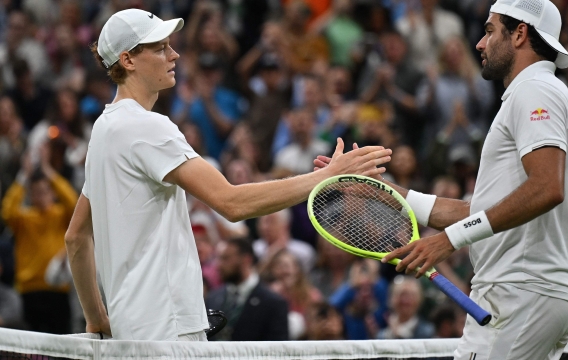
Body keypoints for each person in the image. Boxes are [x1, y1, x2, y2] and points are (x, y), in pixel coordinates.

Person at [64, 9, 391, 342]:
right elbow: (231, 202)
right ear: (127, 60)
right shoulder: (147, 128)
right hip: (167, 330)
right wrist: (328, 176)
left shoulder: (103, 131)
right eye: (160, 47)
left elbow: (75, 238)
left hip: (128, 332)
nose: (174, 54)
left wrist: (97, 319)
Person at [316, 0, 568, 357]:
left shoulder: (536, 90)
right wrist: (378, 192)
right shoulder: (534, 92)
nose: (480, 43)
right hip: (526, 294)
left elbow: (547, 187)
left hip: (519, 293)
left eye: (490, 31)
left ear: (520, 34)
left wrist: (448, 242)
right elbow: (479, 211)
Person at [2, 145, 77, 334]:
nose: (41, 196)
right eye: (36, 192)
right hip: (30, 290)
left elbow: (72, 201)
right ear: (31, 195)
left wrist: (47, 170)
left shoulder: (61, 215)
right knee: (33, 350)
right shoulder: (24, 219)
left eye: (45, 191)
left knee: (63, 346)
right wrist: (24, 176)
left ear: (52, 193)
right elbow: (7, 210)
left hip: (58, 290)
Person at [205, 238, 289, 341]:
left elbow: (277, 349)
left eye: (225, 258)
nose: (218, 265)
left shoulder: (273, 303)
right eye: (218, 258)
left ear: (246, 259)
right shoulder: (212, 298)